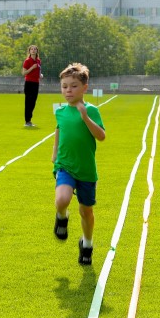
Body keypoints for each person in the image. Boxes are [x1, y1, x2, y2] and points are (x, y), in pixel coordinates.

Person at [52, 63, 107, 266]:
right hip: (65, 165)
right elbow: (59, 130)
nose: (68, 90)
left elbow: (101, 136)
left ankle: (87, 244)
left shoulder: (92, 110)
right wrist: (54, 153)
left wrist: (85, 117)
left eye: (73, 86)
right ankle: (61, 217)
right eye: (64, 86)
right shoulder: (60, 111)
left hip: (86, 170)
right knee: (62, 199)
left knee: (86, 212)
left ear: (84, 87)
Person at [21, 45, 43, 127]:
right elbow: (24, 73)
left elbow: (38, 71)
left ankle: (29, 120)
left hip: (36, 83)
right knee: (28, 103)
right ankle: (27, 121)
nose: (33, 50)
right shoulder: (27, 61)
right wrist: (32, 68)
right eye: (31, 49)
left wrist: (40, 75)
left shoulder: (38, 61)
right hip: (29, 83)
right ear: (29, 51)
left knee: (33, 102)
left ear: (37, 51)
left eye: (35, 49)